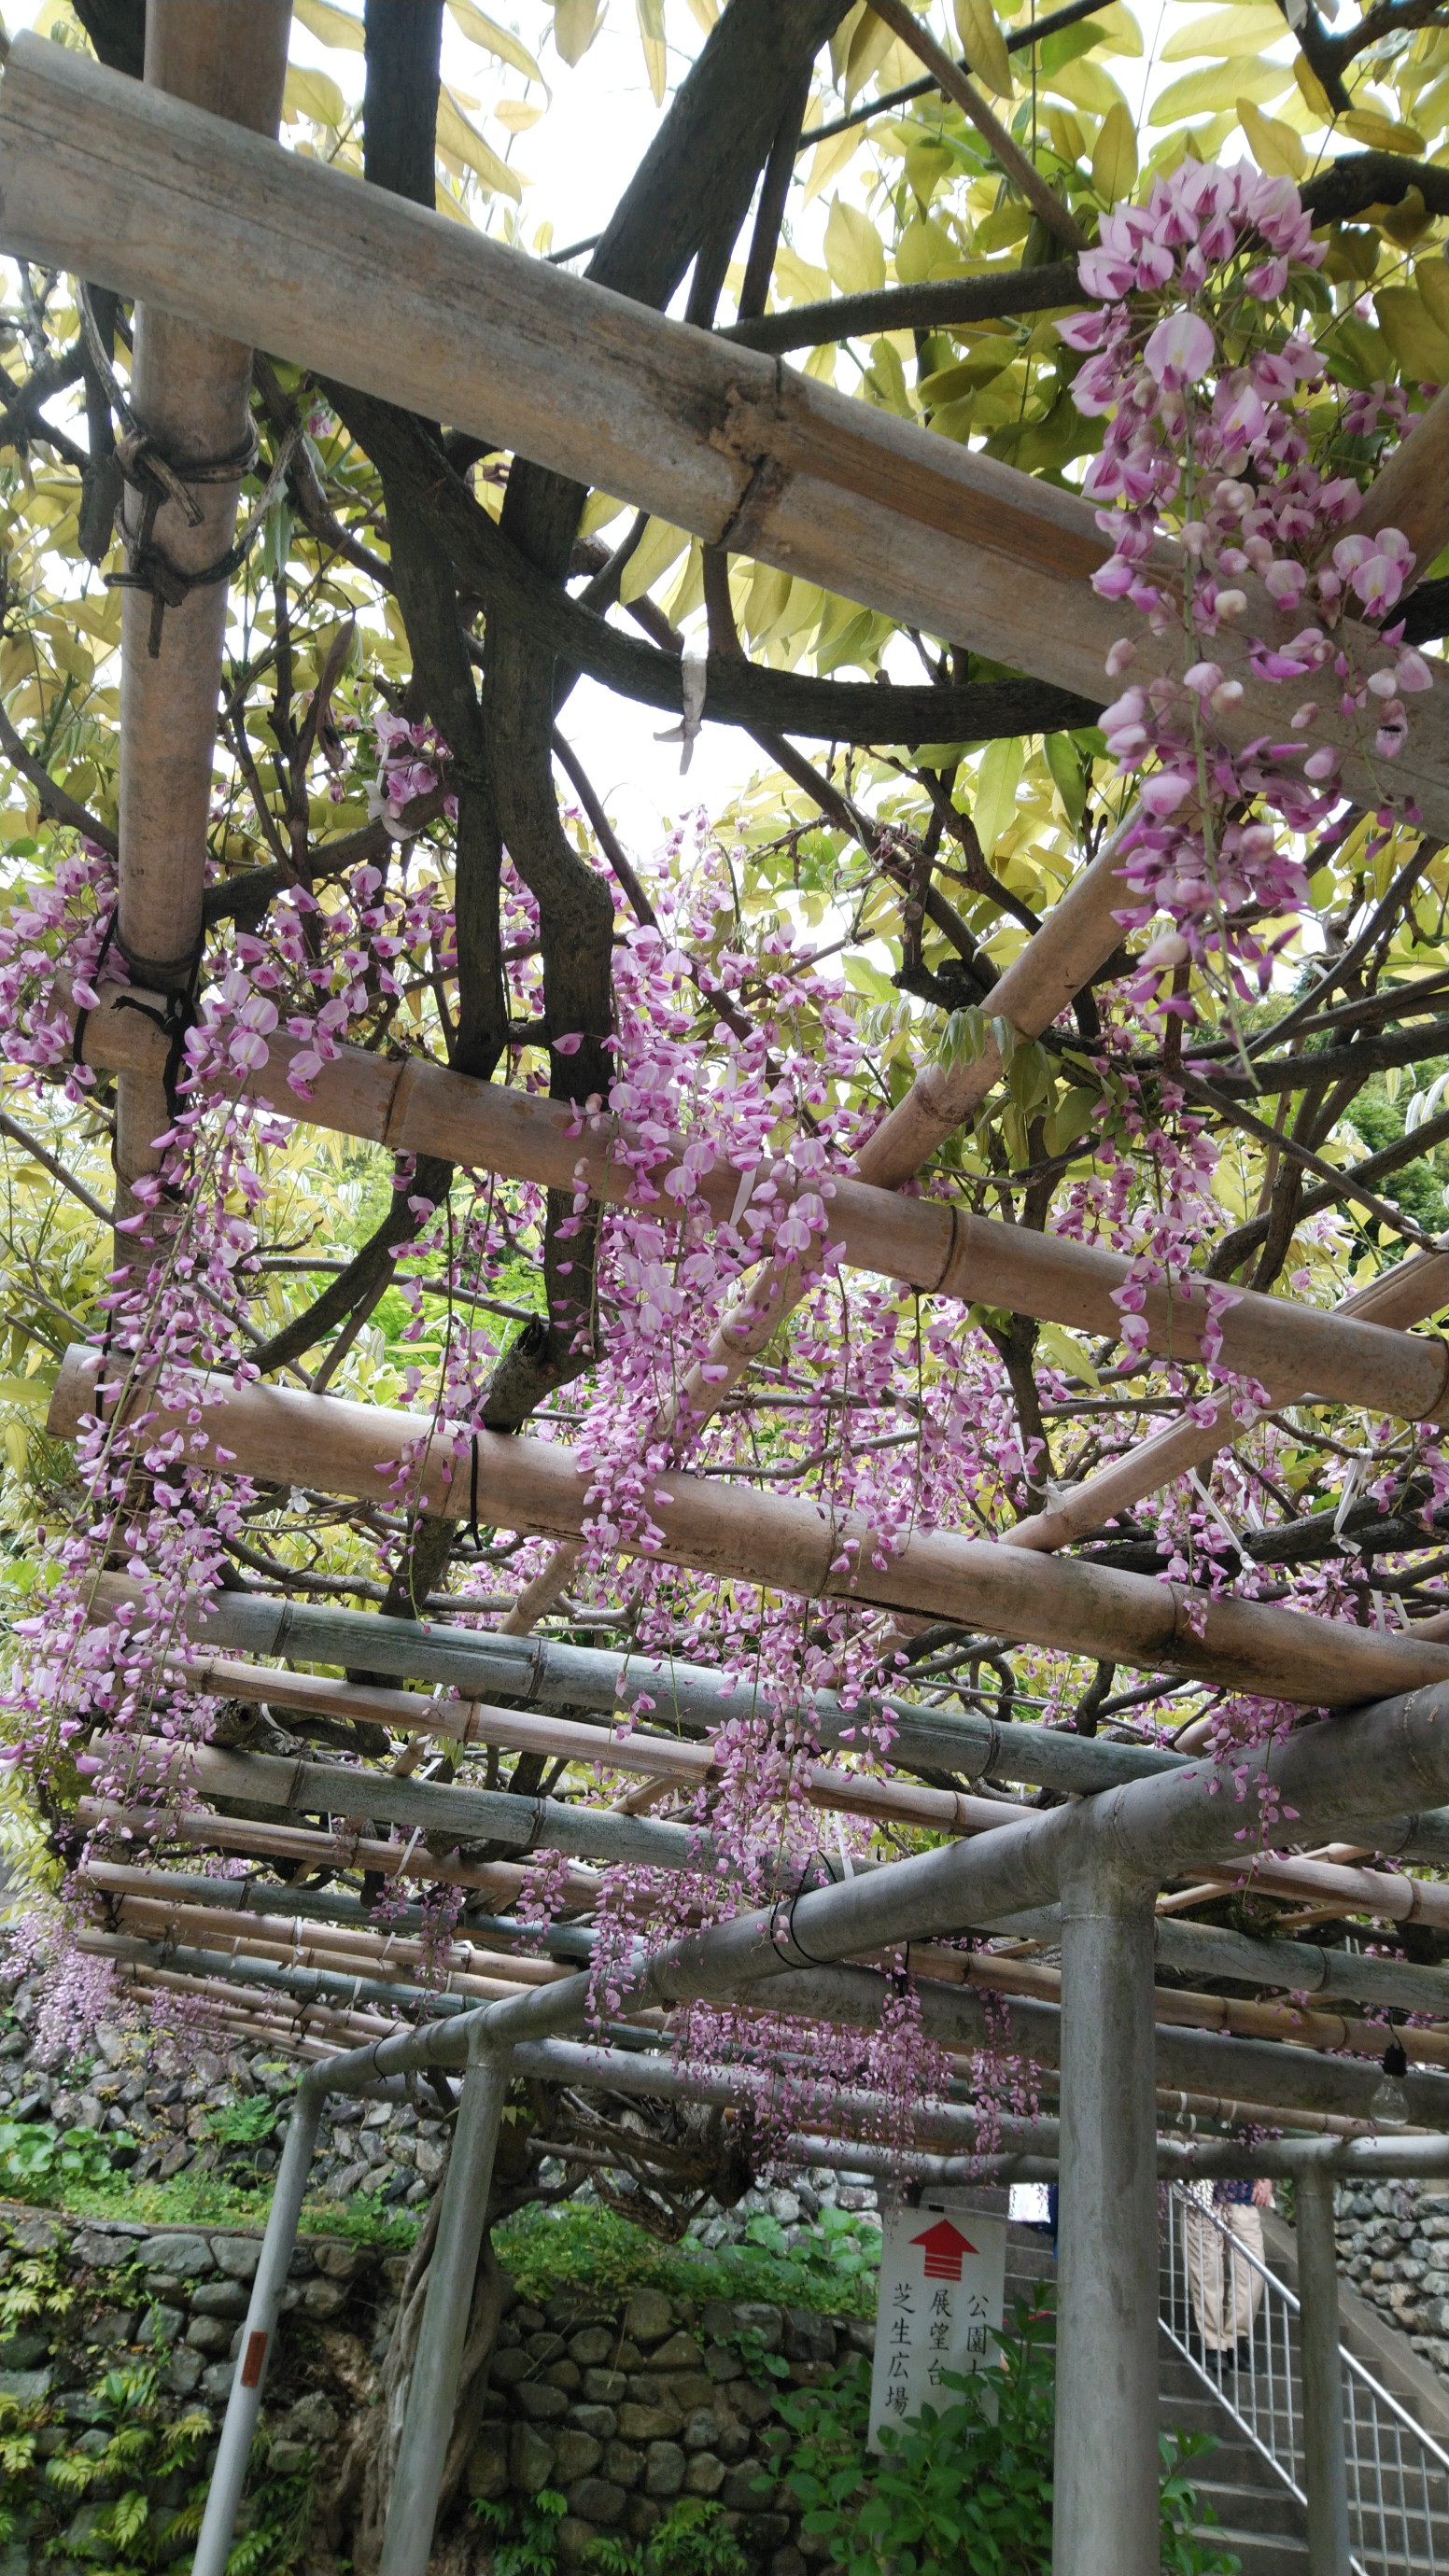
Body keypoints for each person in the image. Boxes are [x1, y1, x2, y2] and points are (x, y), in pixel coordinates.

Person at [1185, 2176, 1273, 2371]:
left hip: (1244, 2192)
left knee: (1253, 2270)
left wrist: (1266, 2176)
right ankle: (1213, 2345)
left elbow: (1265, 2143)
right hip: (1205, 2190)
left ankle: (1237, 2341)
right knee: (1207, 2271)